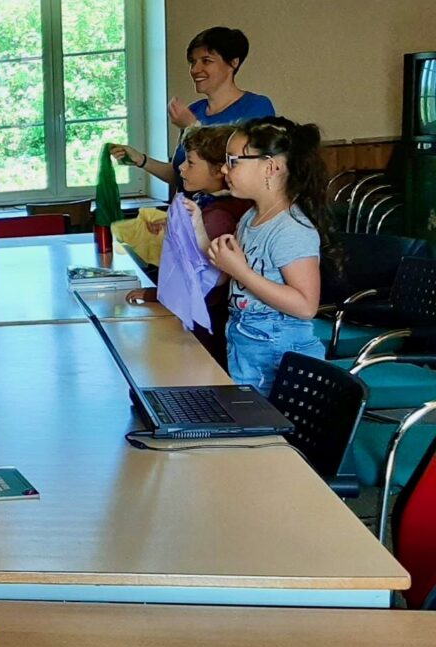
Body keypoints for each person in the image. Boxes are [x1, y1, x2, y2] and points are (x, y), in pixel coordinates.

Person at [187, 117, 328, 395]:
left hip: (279, 357)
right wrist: (198, 228)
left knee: (267, 423)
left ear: (270, 167)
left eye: (233, 161)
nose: (224, 169)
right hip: (247, 348)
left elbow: (305, 306)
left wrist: (240, 271)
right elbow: (225, 274)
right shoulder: (250, 218)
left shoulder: (291, 229)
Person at [126, 126, 252, 361]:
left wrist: (157, 295)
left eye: (190, 163)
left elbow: (208, 282)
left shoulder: (219, 216)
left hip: (207, 328)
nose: (181, 168)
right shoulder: (210, 205)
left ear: (219, 170)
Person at [109, 27, 276, 192]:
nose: (195, 70)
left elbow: (246, 175)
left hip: (223, 210)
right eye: (193, 62)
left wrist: (193, 128)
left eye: (206, 61)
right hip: (187, 209)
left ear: (233, 62)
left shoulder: (256, 106)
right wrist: (141, 160)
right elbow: (181, 175)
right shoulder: (194, 110)